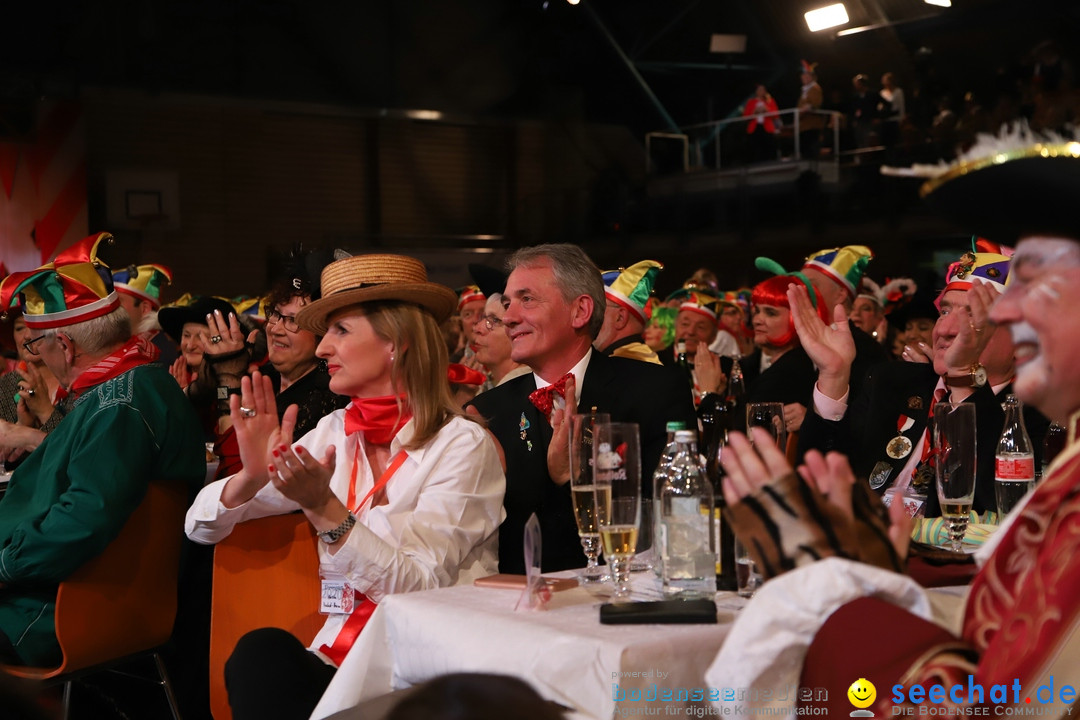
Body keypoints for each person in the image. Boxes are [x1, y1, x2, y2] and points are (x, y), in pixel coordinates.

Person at [706, 130, 1080, 718]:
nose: (1001, 311)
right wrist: (871, 571)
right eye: (953, 308)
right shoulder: (894, 386)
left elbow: (986, 705)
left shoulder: (1034, 426)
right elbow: (995, 658)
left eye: (1030, 280)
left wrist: (826, 582)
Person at [185, 253, 505, 720]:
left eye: (340, 330)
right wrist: (251, 476)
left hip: (421, 677)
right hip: (341, 663)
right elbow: (199, 527)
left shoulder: (462, 445)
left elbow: (416, 588)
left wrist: (326, 509)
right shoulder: (336, 430)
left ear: (396, 341)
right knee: (261, 654)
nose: (320, 349)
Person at [0, 231, 205, 666]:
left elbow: (83, 519)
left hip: (51, 610)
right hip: (80, 594)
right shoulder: (141, 382)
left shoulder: (118, 405)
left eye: (36, 345)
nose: (35, 356)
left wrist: (4, 566)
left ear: (66, 345)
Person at [467, 244, 695, 573]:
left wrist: (575, 479)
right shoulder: (488, 411)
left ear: (580, 311)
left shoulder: (654, 391)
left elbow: (672, 517)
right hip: (518, 609)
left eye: (526, 299)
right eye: (507, 303)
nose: (509, 317)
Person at [797, 245, 1049, 516]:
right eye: (944, 312)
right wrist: (834, 376)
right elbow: (817, 482)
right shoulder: (894, 381)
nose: (946, 329)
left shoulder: (1040, 414)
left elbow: (1003, 512)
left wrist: (964, 377)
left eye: (972, 316)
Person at [739, 272, 830, 437]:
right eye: (757, 311)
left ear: (795, 319)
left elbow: (740, 435)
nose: (758, 319)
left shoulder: (785, 374)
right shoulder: (792, 365)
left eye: (770, 313)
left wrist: (709, 393)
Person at [594, 260, 663, 365]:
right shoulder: (640, 359)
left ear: (620, 317)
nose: (586, 317)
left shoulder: (625, 365)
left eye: (597, 309)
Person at [112, 262, 177, 364]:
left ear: (145, 308)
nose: (112, 306)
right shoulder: (117, 344)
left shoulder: (159, 352)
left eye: (119, 301)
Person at [470, 292, 528, 387]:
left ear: (520, 333)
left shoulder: (522, 389)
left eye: (494, 320)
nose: (477, 329)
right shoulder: (486, 385)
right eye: (484, 317)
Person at [742, 84, 780, 162]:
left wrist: (766, 109)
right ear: (756, 91)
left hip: (767, 127)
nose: (761, 91)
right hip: (755, 128)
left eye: (763, 90)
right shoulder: (751, 102)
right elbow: (745, 116)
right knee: (755, 147)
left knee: (769, 146)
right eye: (759, 90)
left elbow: (776, 114)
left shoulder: (770, 101)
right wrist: (754, 112)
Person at [796, 60, 824, 159]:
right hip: (804, 126)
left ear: (811, 77)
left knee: (811, 150)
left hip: (812, 126)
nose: (804, 78)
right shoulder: (804, 90)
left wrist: (806, 108)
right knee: (804, 149)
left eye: (806, 76)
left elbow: (815, 103)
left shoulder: (814, 88)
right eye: (803, 76)